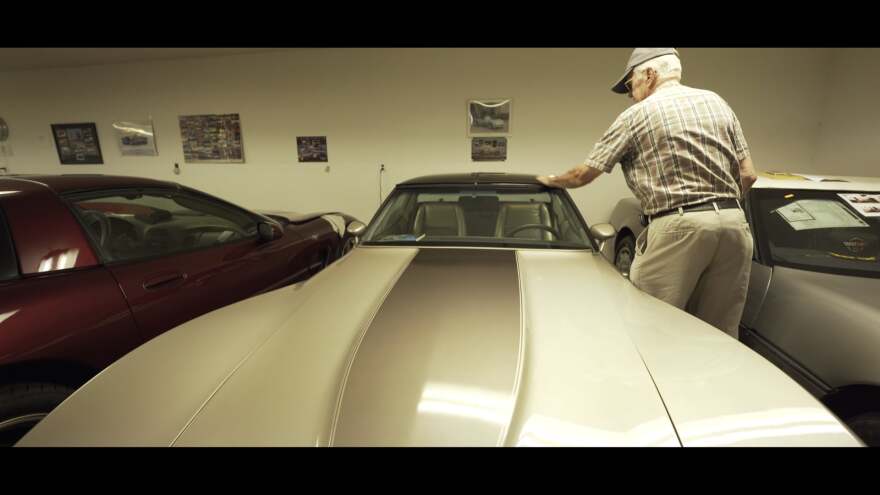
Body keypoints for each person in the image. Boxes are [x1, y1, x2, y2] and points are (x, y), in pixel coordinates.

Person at [537, 48, 758, 338]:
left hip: (679, 224)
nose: (630, 94)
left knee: (648, 321)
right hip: (734, 224)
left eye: (630, 84)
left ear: (650, 75)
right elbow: (748, 174)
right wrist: (717, 206)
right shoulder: (716, 103)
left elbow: (584, 174)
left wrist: (550, 180)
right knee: (719, 331)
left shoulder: (637, 115)